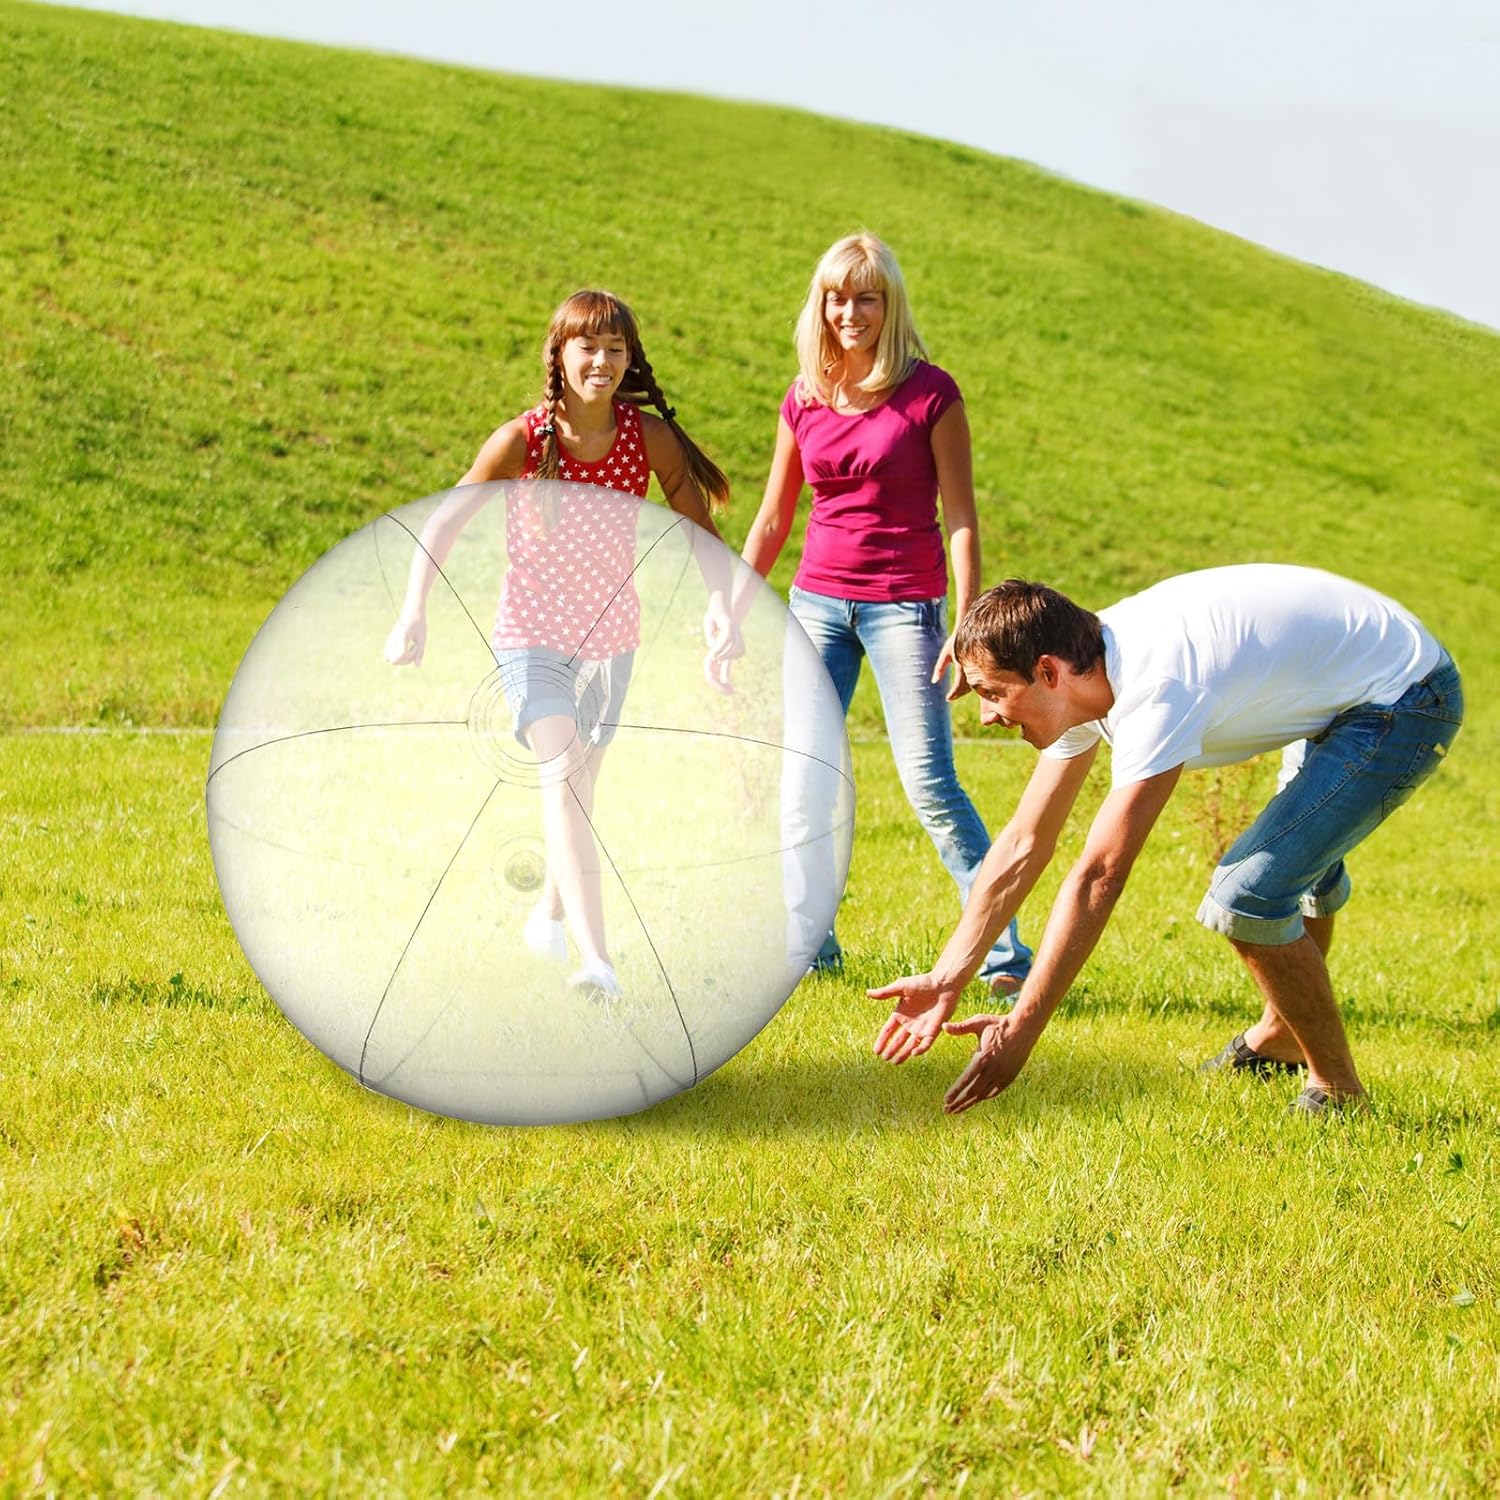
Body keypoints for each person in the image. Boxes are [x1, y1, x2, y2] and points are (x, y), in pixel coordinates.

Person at [868, 564, 1462, 1115]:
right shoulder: (1085, 681)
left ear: (1047, 671)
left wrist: (1021, 1029)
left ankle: (1337, 1092)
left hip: (1403, 695)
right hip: (1346, 683)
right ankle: (1281, 1038)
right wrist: (950, 973)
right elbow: (1024, 841)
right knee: (1294, 860)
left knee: (1247, 895)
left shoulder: (1155, 687)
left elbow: (1100, 873)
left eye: (993, 692)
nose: (988, 716)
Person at [384, 289, 736, 998]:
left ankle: (546, 916)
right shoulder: (524, 438)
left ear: (629, 359)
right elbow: (446, 519)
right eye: (587, 347)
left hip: (612, 637)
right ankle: (597, 962)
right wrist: (413, 608)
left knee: (579, 788)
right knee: (564, 773)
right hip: (531, 635)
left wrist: (721, 606)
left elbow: (700, 528)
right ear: (561, 355)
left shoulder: (648, 439)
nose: (601, 361)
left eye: (614, 348)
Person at [736, 232, 1032, 991]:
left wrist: (968, 627)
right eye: (837, 296)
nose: (850, 312)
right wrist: (732, 600)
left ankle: (1004, 956)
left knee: (931, 785)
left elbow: (961, 517)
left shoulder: (932, 394)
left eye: (866, 297)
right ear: (821, 303)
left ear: (889, 303)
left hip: (906, 608)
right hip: (816, 606)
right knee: (804, 779)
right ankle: (812, 946)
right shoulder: (804, 396)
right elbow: (775, 518)